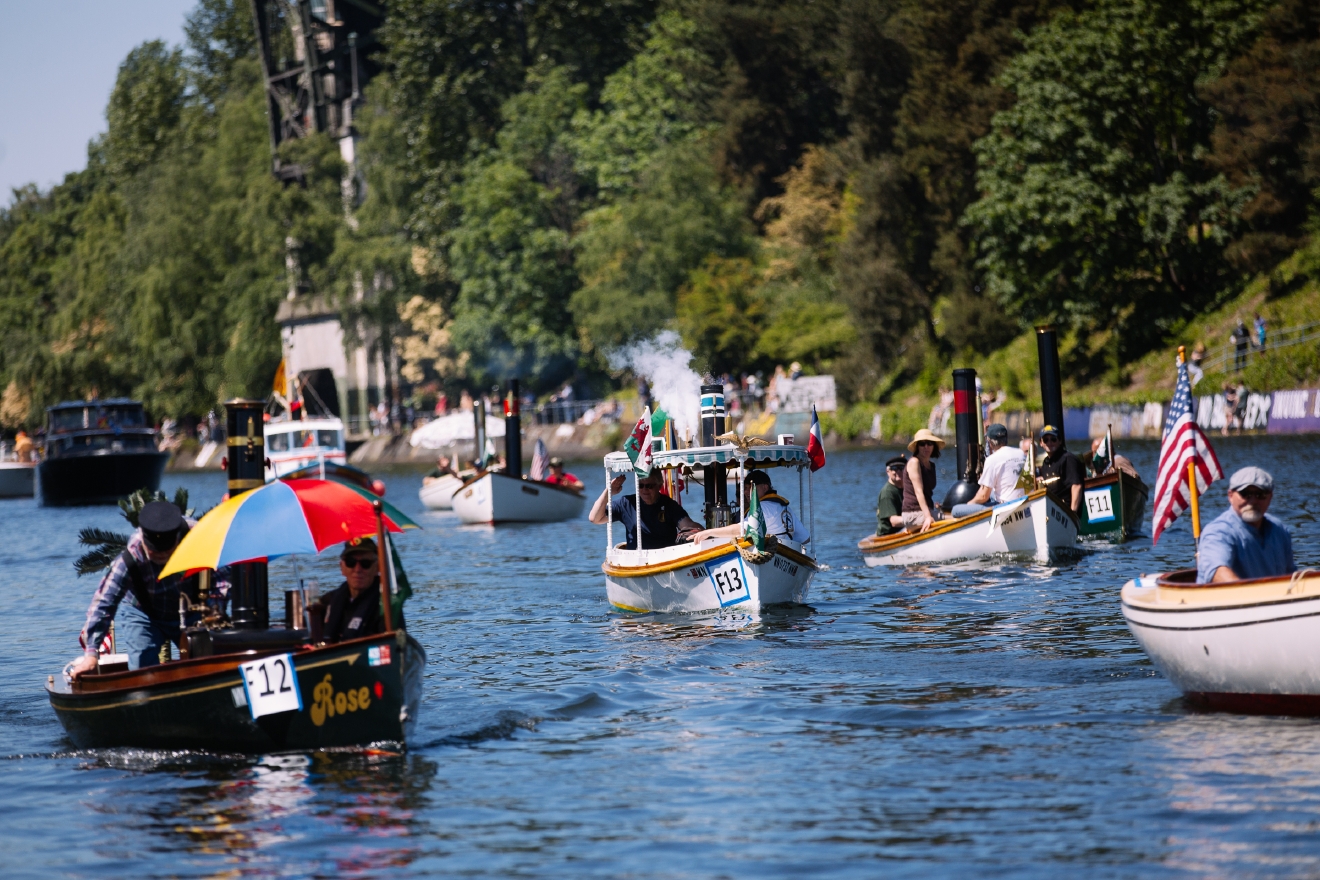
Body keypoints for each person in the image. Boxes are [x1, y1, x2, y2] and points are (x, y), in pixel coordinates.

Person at [70, 502, 209, 677]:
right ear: (144, 539)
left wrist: (215, 608)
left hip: (193, 610)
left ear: (177, 538)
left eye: (167, 551)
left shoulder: (199, 537)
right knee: (142, 669)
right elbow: (103, 603)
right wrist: (91, 655)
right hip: (143, 613)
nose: (162, 556)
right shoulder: (130, 557)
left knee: (208, 663)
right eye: (155, 552)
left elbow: (224, 577)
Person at [1197, 467, 1294, 584]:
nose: (1252, 501)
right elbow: (1217, 573)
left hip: (1274, 600)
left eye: (1260, 494)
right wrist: (1253, 594)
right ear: (1230, 496)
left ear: (1270, 497)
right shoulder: (1219, 531)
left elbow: (1291, 576)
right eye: (1245, 494)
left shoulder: (1280, 530)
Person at [691, 470, 810, 544]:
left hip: (766, 556)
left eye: (751, 488)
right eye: (745, 488)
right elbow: (805, 538)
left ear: (765, 487)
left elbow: (741, 529)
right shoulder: (785, 508)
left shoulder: (762, 507)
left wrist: (708, 532)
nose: (747, 492)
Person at [322, 537, 403, 643]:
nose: (358, 569)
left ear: (378, 568)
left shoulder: (388, 605)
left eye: (365, 563)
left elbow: (397, 646)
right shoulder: (327, 602)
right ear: (342, 567)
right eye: (351, 562)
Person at [589, 472, 700, 549]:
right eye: (640, 486)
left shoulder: (669, 505)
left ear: (659, 486)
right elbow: (595, 518)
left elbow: (688, 525)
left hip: (666, 559)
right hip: (637, 562)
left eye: (649, 486)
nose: (644, 490)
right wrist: (608, 492)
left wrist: (705, 533)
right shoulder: (626, 503)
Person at [951, 424, 1026, 517]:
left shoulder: (992, 460)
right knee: (992, 494)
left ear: (990, 442)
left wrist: (969, 505)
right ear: (1006, 438)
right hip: (1023, 502)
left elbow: (983, 496)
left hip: (1005, 508)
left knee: (956, 510)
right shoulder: (1021, 453)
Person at [902, 429, 945, 532]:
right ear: (917, 447)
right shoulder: (914, 462)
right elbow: (918, 492)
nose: (926, 447)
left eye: (929, 443)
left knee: (953, 512)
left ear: (934, 446)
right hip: (912, 514)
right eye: (922, 444)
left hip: (927, 511)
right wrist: (927, 517)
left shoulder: (931, 465)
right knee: (953, 518)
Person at [1036, 425, 1084, 516]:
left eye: (1053, 439)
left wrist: (1072, 514)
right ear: (1041, 443)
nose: (1049, 442)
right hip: (1052, 513)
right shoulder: (1045, 463)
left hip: (1066, 512)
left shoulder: (1068, 459)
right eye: (1046, 440)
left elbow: (1077, 486)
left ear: (1060, 441)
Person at [875, 454, 907, 537]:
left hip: (904, 529)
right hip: (889, 534)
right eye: (894, 468)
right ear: (888, 472)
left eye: (901, 468)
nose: (898, 471)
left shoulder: (907, 488)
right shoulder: (887, 493)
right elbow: (894, 521)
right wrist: (917, 519)